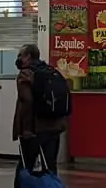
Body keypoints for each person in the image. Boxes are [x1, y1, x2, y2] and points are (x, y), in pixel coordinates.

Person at [12, 44, 69, 176]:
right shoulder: (51, 71)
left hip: (34, 128)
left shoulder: (26, 75)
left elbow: (27, 103)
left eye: (20, 55)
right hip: (54, 126)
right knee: (50, 165)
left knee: (26, 164)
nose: (18, 58)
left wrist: (25, 130)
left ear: (28, 57)